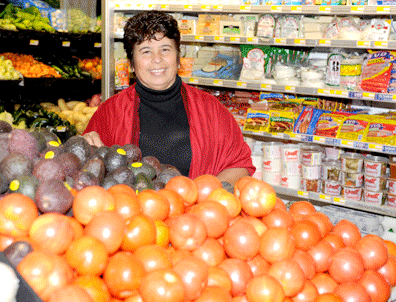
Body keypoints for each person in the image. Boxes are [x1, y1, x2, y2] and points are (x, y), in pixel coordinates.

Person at [83, 10, 255, 185]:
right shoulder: (109, 112)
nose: (157, 59)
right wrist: (86, 147)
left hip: (197, 210)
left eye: (165, 49)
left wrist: (201, 196)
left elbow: (239, 165)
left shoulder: (211, 109)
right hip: (131, 210)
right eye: (146, 51)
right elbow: (88, 171)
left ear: (178, 58)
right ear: (131, 64)